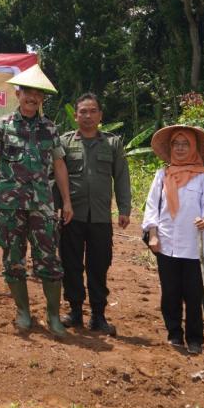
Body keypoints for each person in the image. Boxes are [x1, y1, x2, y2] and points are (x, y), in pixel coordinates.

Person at [0, 64, 74, 337]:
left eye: (38, 94)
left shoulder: (49, 128)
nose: (32, 97)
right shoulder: (1, 126)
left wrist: (66, 201)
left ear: (42, 98)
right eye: (27, 92)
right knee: (13, 259)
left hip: (42, 203)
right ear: (18, 94)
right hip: (9, 203)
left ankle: (53, 316)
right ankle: (23, 312)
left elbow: (59, 165)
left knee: (48, 261)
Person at [142, 125, 204, 355]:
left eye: (184, 144)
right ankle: (174, 333)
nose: (179, 148)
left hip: (195, 245)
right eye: (176, 144)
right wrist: (153, 235)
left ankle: (195, 338)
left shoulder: (203, 177)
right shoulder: (162, 175)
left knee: (194, 292)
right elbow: (152, 207)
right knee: (170, 292)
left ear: (193, 147)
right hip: (166, 243)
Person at [57, 93, 131, 335]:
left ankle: (98, 315)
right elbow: (55, 176)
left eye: (92, 111)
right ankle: (75, 311)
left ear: (100, 115)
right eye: (82, 112)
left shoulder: (112, 144)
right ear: (75, 115)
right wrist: (55, 207)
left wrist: (124, 208)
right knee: (71, 264)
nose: (87, 116)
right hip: (71, 216)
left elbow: (121, 177)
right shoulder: (65, 142)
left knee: (99, 265)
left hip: (100, 217)